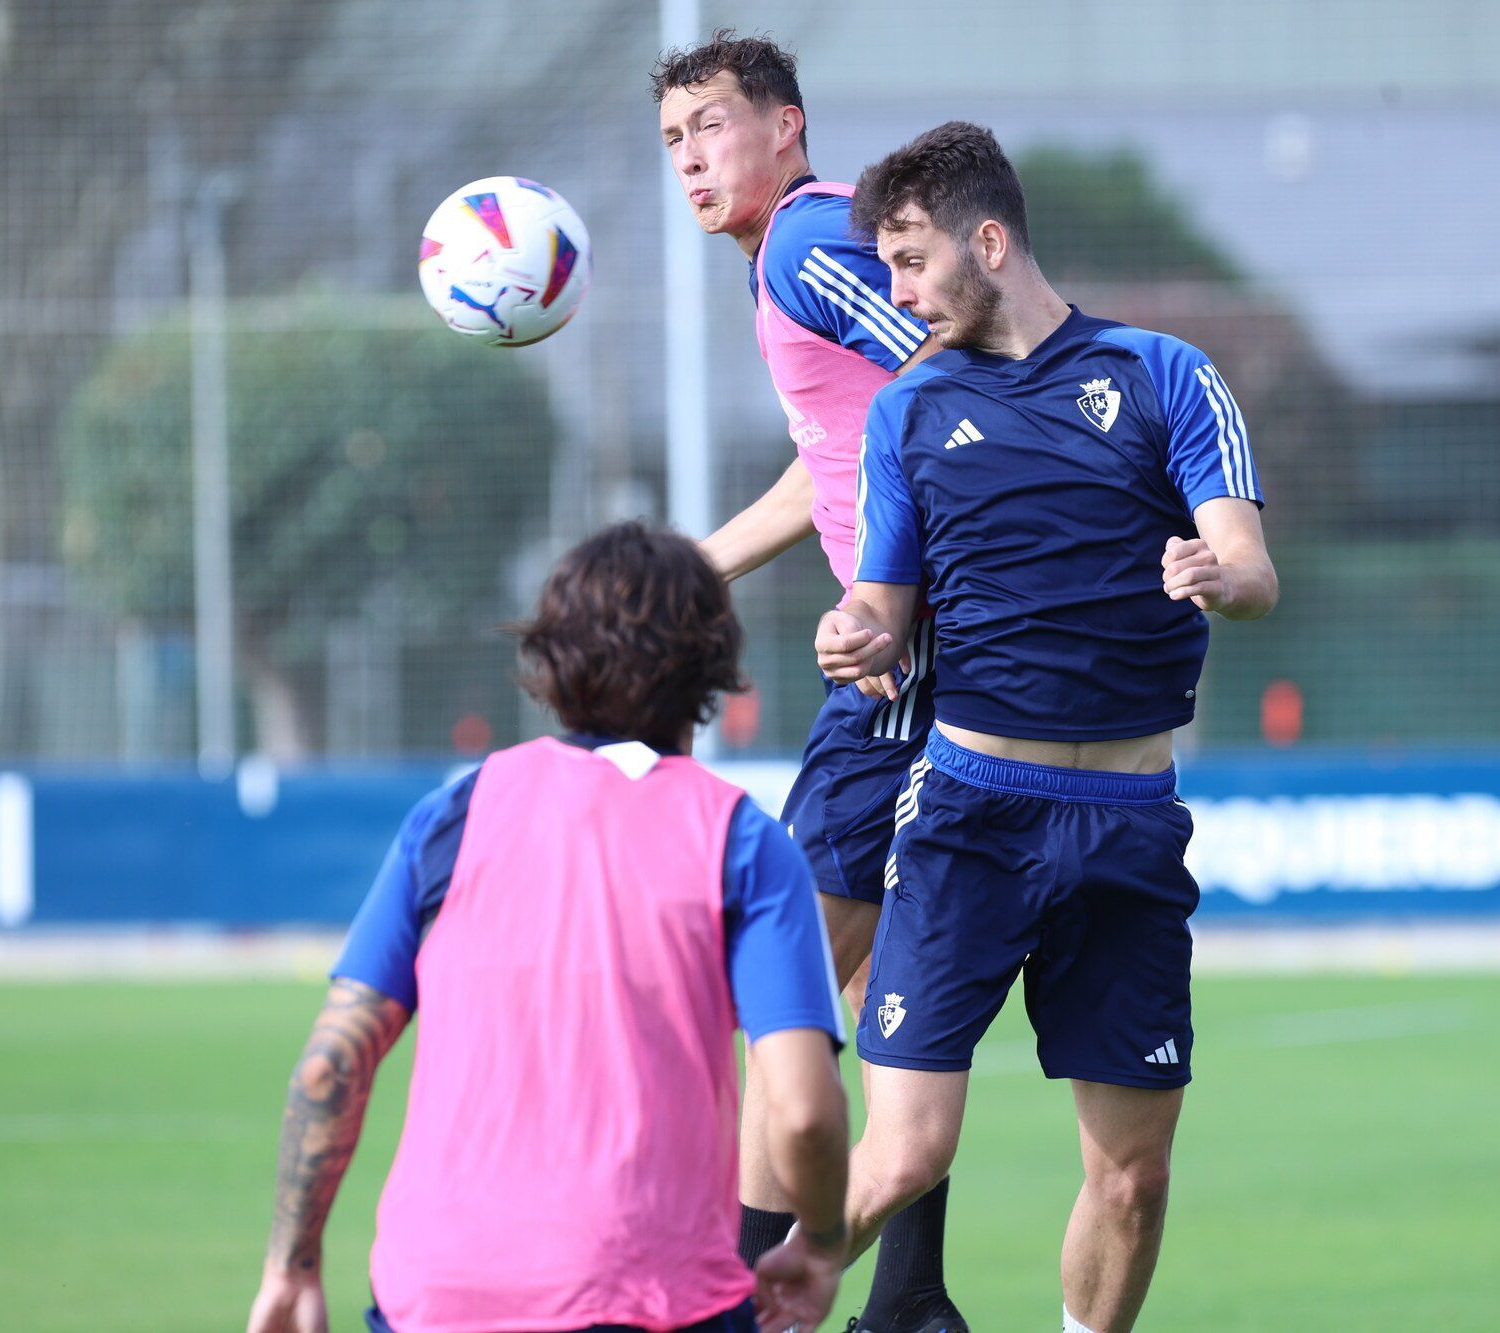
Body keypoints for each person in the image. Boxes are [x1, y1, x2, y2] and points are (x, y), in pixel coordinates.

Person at [816, 122, 1279, 1333]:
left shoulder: (1162, 374)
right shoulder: (907, 412)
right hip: (971, 812)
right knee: (901, 1154)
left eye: (911, 260)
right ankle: (722, 1310)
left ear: (987, 239)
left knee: (1132, 1177)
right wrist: (851, 633)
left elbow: (1250, 566)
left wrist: (1215, 575)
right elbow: (880, 602)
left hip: (1128, 822)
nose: (898, 291)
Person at [245, 524, 849, 1333]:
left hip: (437, 1297)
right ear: (714, 670)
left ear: (550, 658)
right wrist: (819, 1242)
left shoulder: (451, 817)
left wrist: (292, 1264)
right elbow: (804, 1109)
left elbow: (329, 1065)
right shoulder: (741, 840)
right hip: (652, 1299)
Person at [650, 33, 967, 1333]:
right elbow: (835, 450)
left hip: (912, 667)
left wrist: (893, 593)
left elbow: (956, 371)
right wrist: (690, 567)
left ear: (787, 127)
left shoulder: (805, 240)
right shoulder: (791, 264)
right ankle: (909, 1302)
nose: (692, 159)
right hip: (933, 659)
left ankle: (731, 1301)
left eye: (713, 127)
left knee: (777, 986)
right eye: (674, 141)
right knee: (880, 990)